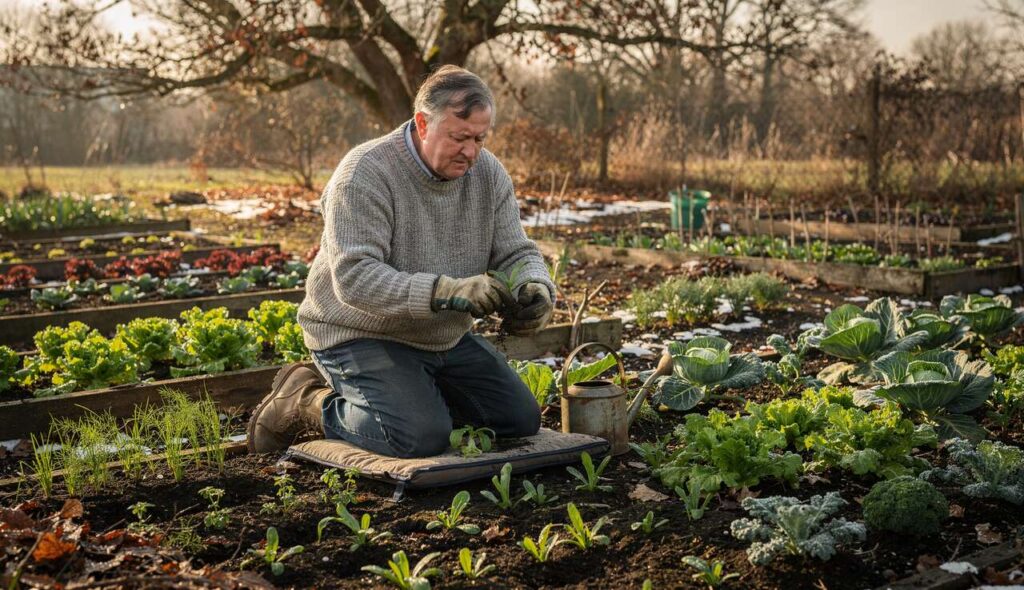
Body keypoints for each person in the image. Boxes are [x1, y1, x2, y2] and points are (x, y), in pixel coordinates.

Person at [247, 66, 556, 458]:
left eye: (480, 138)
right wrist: (445, 291)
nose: (471, 152)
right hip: (358, 332)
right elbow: (354, 278)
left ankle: (413, 396)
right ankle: (303, 401)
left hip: (440, 335)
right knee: (415, 437)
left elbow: (516, 251)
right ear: (423, 123)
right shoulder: (364, 174)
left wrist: (534, 284)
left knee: (517, 420)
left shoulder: (488, 174)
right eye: (459, 137)